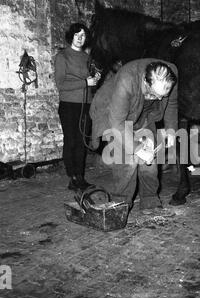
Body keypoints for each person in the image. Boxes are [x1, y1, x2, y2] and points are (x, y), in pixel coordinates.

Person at [90, 59, 178, 213]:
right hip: (115, 113)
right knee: (127, 160)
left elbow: (171, 102)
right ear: (145, 81)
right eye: (154, 94)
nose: (159, 99)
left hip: (144, 113)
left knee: (150, 159)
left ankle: (150, 200)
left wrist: (171, 129)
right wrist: (137, 148)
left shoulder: (173, 73)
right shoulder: (127, 80)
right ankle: (121, 203)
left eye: (162, 95)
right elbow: (117, 123)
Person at [54, 23, 101, 191]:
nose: (80, 38)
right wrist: (85, 82)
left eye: (83, 35)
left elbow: (91, 83)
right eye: (77, 35)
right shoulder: (62, 56)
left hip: (85, 104)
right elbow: (60, 84)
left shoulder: (87, 58)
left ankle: (80, 177)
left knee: (82, 141)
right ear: (70, 36)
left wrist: (95, 79)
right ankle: (72, 177)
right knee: (71, 140)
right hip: (69, 105)